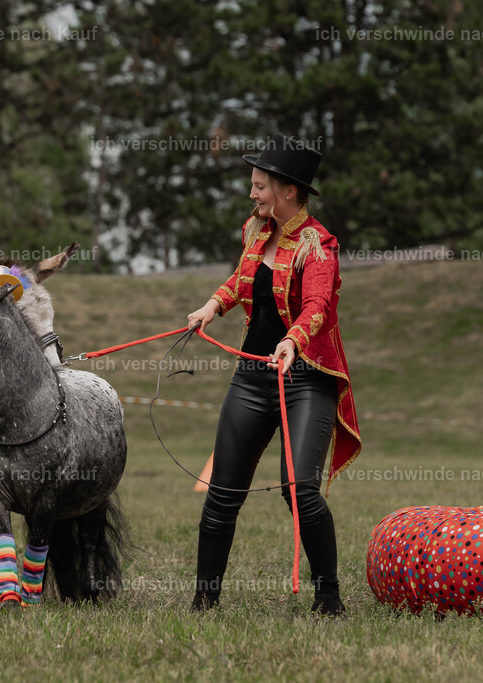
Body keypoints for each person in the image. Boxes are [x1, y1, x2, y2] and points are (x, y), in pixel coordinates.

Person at [186, 134, 361, 616]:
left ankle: (329, 598)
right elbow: (241, 280)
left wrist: (292, 340)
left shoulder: (319, 245)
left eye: (260, 186)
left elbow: (318, 307)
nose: (253, 195)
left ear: (287, 190)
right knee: (222, 493)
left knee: (299, 489)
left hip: (307, 379)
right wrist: (212, 306)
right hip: (252, 376)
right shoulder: (254, 232)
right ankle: (205, 601)